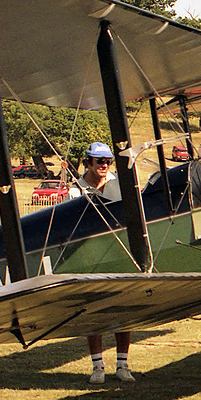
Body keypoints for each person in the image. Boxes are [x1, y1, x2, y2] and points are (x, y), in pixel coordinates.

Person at [75, 142, 134, 384]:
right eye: (99, 161)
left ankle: (122, 365)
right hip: (89, 257)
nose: (104, 165)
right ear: (88, 162)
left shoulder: (118, 184)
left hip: (118, 252)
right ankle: (98, 367)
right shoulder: (75, 191)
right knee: (95, 313)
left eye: (108, 161)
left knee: (124, 312)